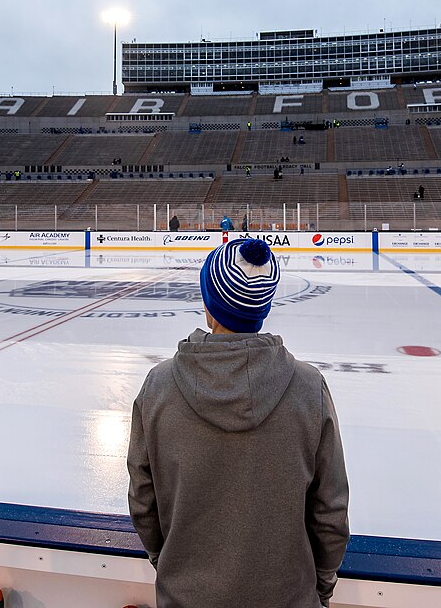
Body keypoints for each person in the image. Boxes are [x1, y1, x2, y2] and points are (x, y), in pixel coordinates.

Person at [127, 238, 350, 607]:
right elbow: (330, 512)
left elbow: (142, 502)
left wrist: (170, 566)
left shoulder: (158, 387)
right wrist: (321, 588)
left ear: (209, 308)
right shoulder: (310, 389)